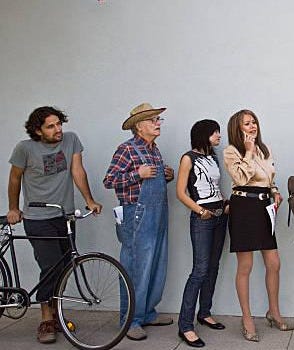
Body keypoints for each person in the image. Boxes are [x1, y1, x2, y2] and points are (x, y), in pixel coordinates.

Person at [6, 106, 102, 344]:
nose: (58, 129)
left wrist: (89, 199)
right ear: (38, 130)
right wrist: (14, 208)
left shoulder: (71, 140)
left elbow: (77, 170)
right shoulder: (24, 149)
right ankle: (46, 319)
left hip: (64, 216)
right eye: (51, 126)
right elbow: (15, 178)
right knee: (50, 267)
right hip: (38, 218)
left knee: (64, 266)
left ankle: (57, 314)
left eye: (59, 124)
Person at [103, 102, 175, 341]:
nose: (158, 123)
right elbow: (110, 180)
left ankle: (147, 313)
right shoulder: (126, 149)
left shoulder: (154, 149)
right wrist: (138, 174)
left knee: (156, 265)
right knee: (136, 268)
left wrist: (167, 175)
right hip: (137, 215)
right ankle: (130, 320)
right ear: (138, 126)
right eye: (153, 120)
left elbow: (153, 179)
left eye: (158, 119)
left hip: (158, 215)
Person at [223, 109, 292, 342]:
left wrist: (275, 191)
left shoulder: (266, 149)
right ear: (237, 128)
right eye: (246, 124)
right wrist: (249, 152)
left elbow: (269, 178)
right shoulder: (231, 151)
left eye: (254, 122)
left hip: (264, 208)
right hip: (243, 206)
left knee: (274, 262)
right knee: (246, 265)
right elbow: (242, 179)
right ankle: (247, 318)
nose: (252, 127)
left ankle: (273, 312)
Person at [176, 119, 229, 348]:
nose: (219, 136)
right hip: (203, 218)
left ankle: (204, 312)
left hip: (220, 215)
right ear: (202, 134)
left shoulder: (213, 156)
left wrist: (225, 204)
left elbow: (215, 186)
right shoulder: (188, 157)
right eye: (214, 132)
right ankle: (185, 326)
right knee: (199, 270)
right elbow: (180, 192)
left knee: (213, 266)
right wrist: (200, 211)